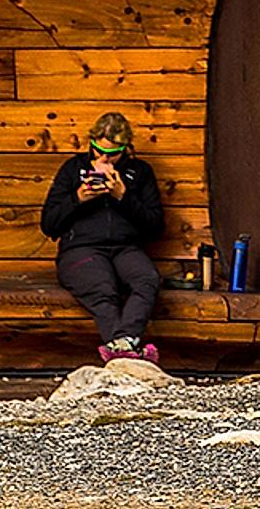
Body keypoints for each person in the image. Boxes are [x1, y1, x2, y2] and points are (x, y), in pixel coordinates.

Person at [39, 109, 169, 361]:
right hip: (81, 249)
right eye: (98, 150)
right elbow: (48, 224)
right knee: (102, 289)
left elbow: (155, 227)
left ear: (126, 149)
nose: (104, 158)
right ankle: (129, 353)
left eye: (112, 154)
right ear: (92, 143)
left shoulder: (139, 173)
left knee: (147, 279)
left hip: (125, 248)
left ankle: (121, 347)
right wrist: (78, 198)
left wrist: (123, 196)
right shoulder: (72, 168)